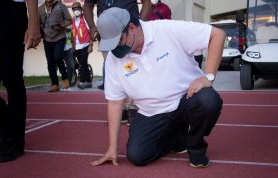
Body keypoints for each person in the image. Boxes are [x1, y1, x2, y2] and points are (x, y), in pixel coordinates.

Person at [91, 7, 225, 168]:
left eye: (118, 41)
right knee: (137, 156)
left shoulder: (166, 29)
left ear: (132, 28)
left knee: (208, 100)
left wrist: (207, 77)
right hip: (151, 111)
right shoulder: (113, 60)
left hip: (186, 100)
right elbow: (114, 102)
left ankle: (195, 145)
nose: (115, 49)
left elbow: (217, 34)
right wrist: (112, 147)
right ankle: (177, 138)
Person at [0, 0, 40, 162]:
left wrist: (34, 22)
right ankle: (6, 119)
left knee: (11, 76)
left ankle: (15, 141)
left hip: (11, 9)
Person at [83, 0, 152, 90]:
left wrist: (140, 24)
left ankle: (141, 96)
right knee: (115, 73)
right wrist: (92, 27)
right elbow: (88, 4)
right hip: (107, 38)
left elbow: (147, 2)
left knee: (137, 70)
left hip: (130, 35)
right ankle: (120, 98)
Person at [39, 0, 72, 92]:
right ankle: (54, 84)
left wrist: (61, 26)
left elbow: (69, 21)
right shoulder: (40, 9)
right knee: (50, 62)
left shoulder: (61, 6)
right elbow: (38, 24)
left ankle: (65, 78)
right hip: (47, 38)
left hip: (60, 37)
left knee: (57, 57)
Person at [71, 2, 93, 89]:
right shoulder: (72, 20)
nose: (76, 10)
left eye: (77, 8)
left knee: (83, 63)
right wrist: (72, 45)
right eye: (74, 9)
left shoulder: (85, 19)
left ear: (81, 9)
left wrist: (91, 44)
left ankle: (84, 81)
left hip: (85, 44)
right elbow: (70, 34)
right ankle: (86, 81)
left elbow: (91, 31)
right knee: (82, 63)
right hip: (77, 46)